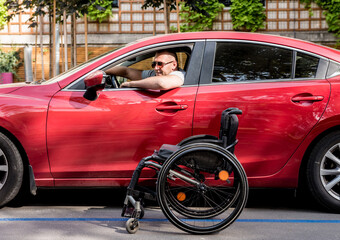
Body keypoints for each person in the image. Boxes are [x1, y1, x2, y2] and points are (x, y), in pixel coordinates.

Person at [105, 50, 185, 90]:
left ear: (174, 65)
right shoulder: (155, 74)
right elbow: (126, 72)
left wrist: (130, 84)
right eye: (154, 64)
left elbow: (161, 83)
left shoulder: (179, 75)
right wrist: (102, 70)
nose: (156, 68)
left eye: (160, 64)